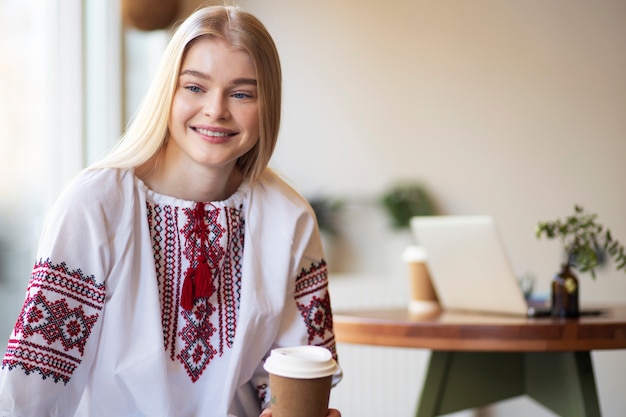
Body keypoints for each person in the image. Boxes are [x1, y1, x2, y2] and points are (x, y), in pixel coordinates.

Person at [0, 5, 342, 417]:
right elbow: (35, 379)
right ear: (167, 93)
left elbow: (298, 369)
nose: (216, 109)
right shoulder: (95, 206)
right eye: (195, 87)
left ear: (267, 104)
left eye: (241, 93)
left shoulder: (290, 218)